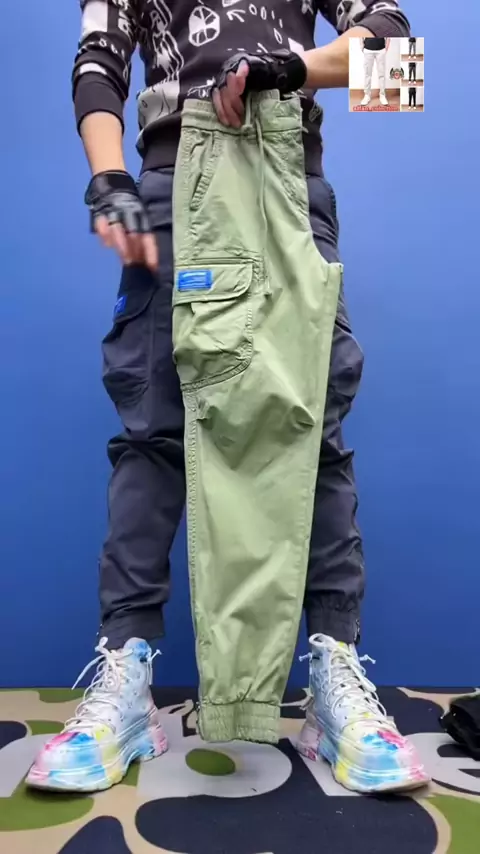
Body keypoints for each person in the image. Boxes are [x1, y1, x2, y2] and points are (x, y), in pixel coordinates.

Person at [27, 0, 429, 795]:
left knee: (311, 429)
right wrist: (108, 176)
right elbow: (98, 62)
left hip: (287, 176)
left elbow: (398, 59)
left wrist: (294, 68)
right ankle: (126, 685)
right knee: (153, 434)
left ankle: (334, 682)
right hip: (170, 183)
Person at [360, 36, 390, 107]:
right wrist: (361, 46)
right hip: (368, 49)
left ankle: (382, 95)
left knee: (381, 75)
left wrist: (386, 47)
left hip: (381, 49)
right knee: (367, 74)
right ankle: (367, 95)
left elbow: (388, 36)